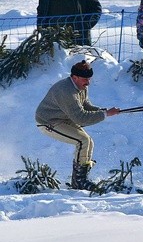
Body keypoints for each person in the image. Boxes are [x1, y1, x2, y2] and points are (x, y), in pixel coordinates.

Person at [35, 60, 121, 190]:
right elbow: (80, 118)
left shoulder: (81, 87)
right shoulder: (66, 91)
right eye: (85, 79)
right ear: (74, 77)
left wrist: (105, 111)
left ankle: (80, 179)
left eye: (89, 79)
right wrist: (105, 114)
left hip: (64, 118)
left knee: (89, 142)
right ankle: (79, 181)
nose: (88, 82)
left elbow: (85, 106)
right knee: (82, 141)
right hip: (48, 121)